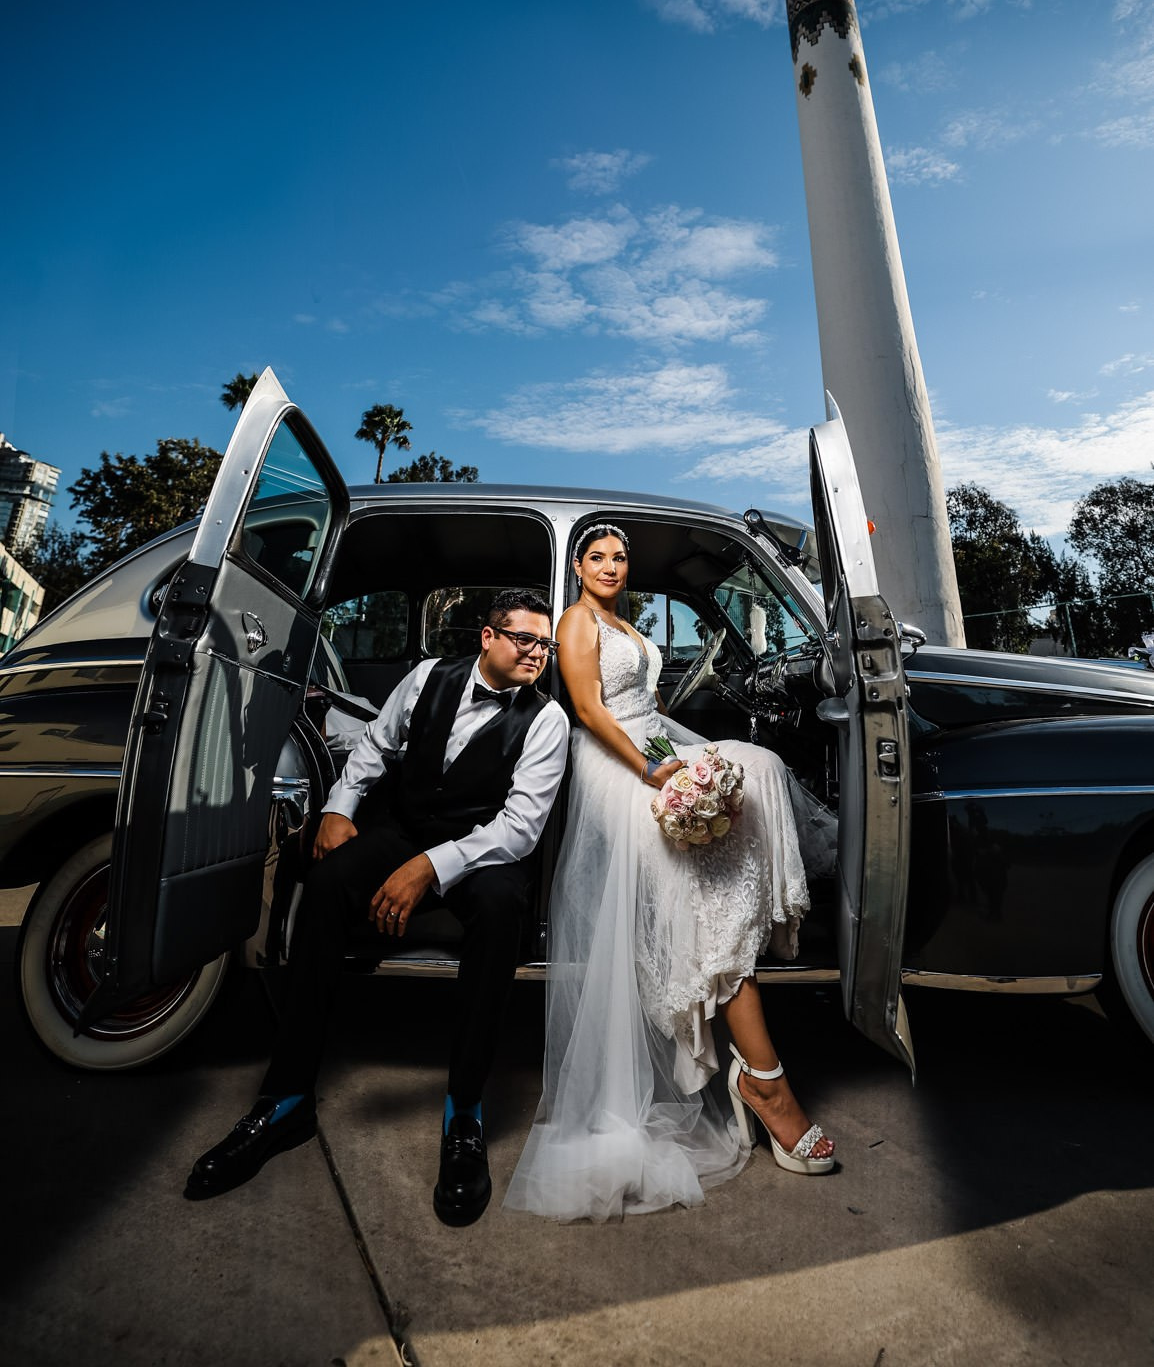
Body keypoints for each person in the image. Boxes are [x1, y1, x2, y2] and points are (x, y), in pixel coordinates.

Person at [186, 589, 570, 1226]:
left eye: (544, 644)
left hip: (480, 849)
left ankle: (465, 1114)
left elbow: (520, 829)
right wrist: (339, 810)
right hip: (407, 824)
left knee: (503, 907)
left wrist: (427, 869)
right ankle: (285, 1098)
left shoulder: (547, 719)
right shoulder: (426, 677)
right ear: (487, 637)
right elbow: (374, 747)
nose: (537, 653)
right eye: (524, 639)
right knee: (331, 877)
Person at [505, 525, 834, 1222]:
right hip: (611, 763)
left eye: (619, 557)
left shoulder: (624, 621)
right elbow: (591, 711)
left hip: (649, 740)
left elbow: (647, 709)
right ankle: (766, 1084)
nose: (610, 566)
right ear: (577, 565)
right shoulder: (576, 620)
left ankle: (748, 982)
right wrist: (656, 772)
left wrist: (684, 757)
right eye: (596, 556)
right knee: (705, 896)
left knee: (760, 767)